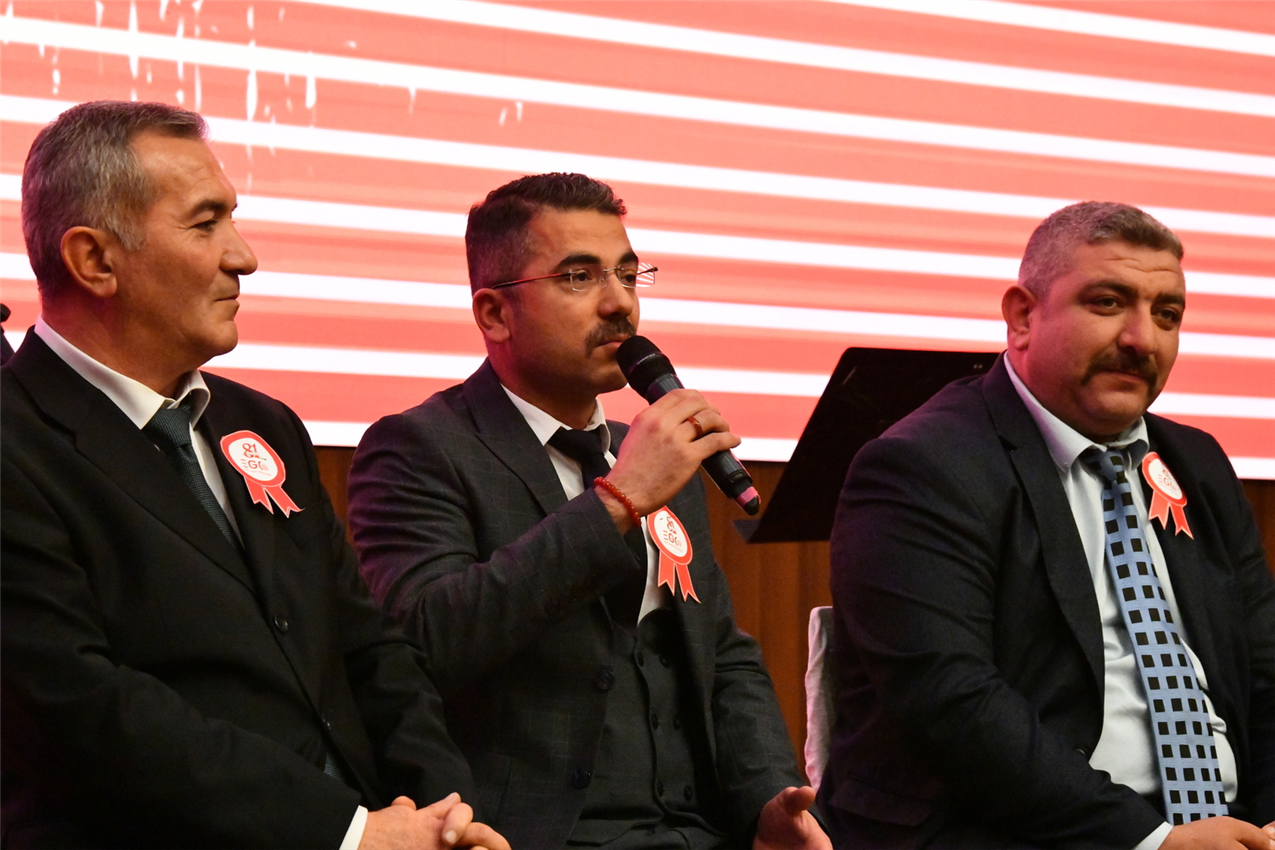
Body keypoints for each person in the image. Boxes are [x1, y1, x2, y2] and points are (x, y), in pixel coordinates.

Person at [0, 100, 508, 850]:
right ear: (95, 261)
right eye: (205, 224)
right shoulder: (16, 438)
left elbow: (368, 648)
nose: (244, 257)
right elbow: (78, 709)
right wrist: (348, 834)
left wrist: (446, 813)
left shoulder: (263, 423)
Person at [347, 172, 830, 850]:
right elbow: (425, 643)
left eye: (628, 275)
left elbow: (720, 653)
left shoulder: (652, 455)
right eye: (578, 277)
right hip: (532, 835)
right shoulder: (421, 447)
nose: (619, 303)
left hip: (698, 833)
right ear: (494, 313)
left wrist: (767, 802)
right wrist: (616, 503)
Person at [819, 201, 1275, 849]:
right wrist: (1152, 841)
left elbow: (1264, 671)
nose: (1141, 339)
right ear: (1022, 317)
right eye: (1107, 302)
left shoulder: (1194, 462)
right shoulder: (923, 465)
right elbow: (952, 702)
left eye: (1167, 314)